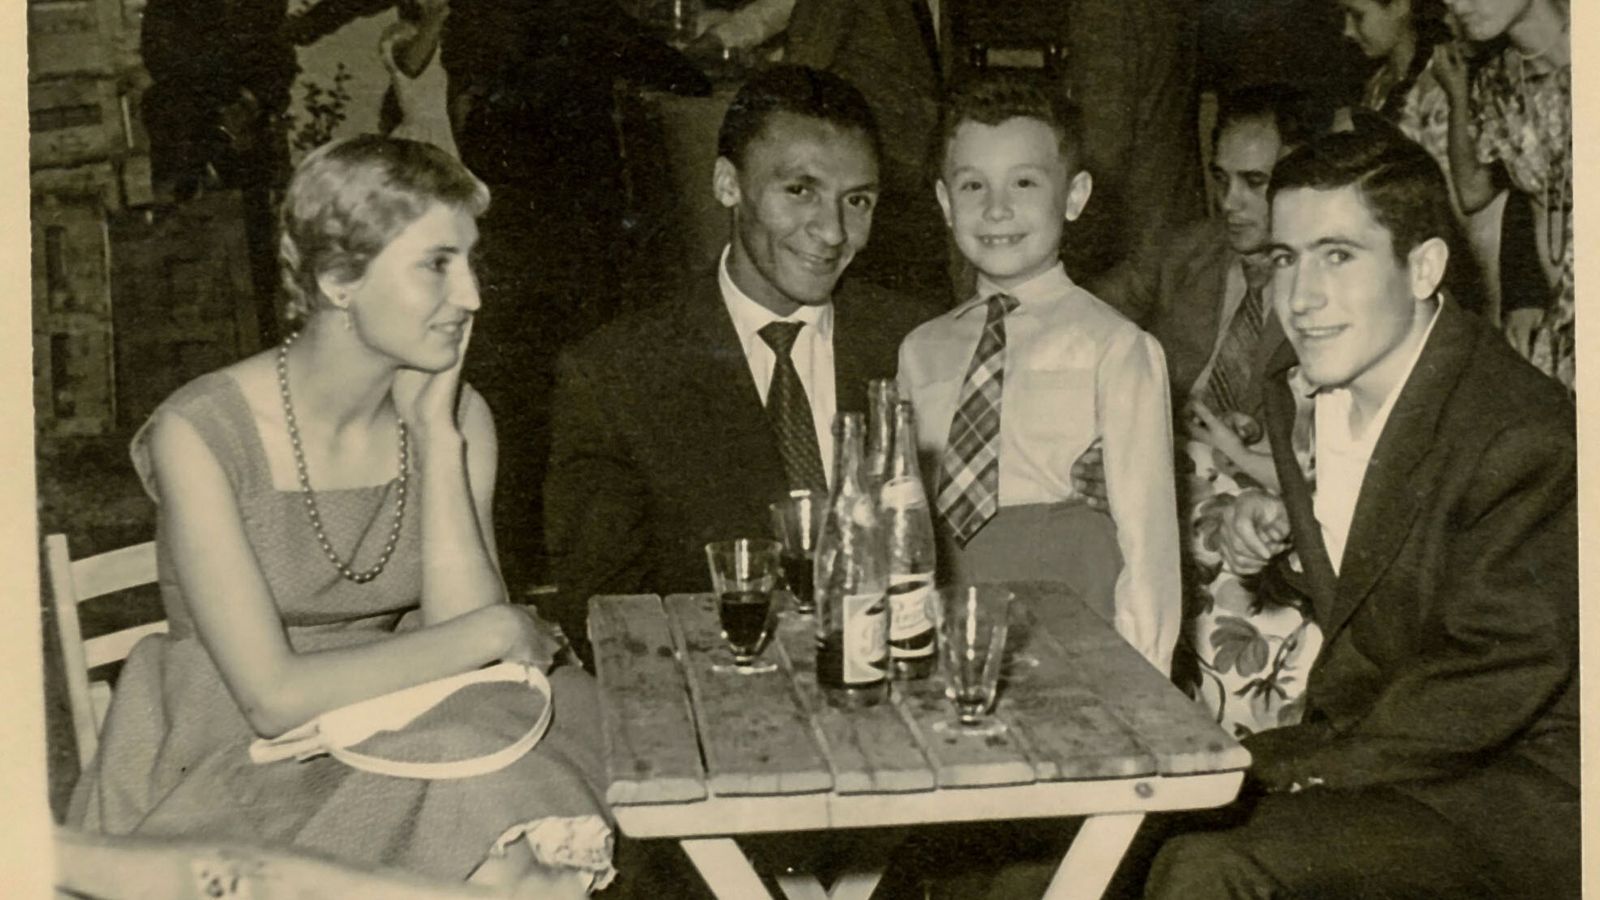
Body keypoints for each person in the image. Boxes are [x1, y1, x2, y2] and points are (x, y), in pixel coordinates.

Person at [69, 136, 615, 896]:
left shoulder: (455, 416)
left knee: (514, 810)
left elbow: (474, 653)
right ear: (337, 280)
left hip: (401, 724)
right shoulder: (200, 432)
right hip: (231, 766)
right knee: (505, 830)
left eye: (471, 262)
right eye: (436, 265)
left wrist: (433, 438)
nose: (473, 298)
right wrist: (492, 632)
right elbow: (273, 699)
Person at [1145, 122, 1578, 899]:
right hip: (1386, 750)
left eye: (1338, 257)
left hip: (1508, 790)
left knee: (1207, 866)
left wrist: (1293, 768)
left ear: (1424, 268)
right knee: (1110, 821)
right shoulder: (1299, 382)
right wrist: (1281, 551)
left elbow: (1493, 673)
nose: (1301, 299)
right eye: (1286, 259)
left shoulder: (1525, 436)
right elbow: (1387, 581)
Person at [543, 65, 939, 667]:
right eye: (799, 191)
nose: (832, 232)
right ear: (728, 184)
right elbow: (606, 622)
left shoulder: (921, 344)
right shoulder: (617, 374)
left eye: (856, 200)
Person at [897, 75, 1179, 674]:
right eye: (972, 185)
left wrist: (1142, 681)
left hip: (1073, 615)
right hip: (951, 611)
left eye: (1025, 182)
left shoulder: (1118, 347)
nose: (996, 209)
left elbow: (1148, 542)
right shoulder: (921, 349)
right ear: (945, 203)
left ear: (1074, 197)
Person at [1433, 0, 1570, 387]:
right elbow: (1474, 191)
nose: (1456, 4)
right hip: (1562, 321)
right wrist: (1459, 98)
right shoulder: (1501, 81)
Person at [1336, 0, 1501, 317]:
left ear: (1400, 6)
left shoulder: (1448, 79)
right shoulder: (1376, 89)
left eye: (1357, 16)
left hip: (1459, 266)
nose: (1347, 30)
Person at [380, 0, 458, 157]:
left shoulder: (438, 35)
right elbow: (411, 66)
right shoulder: (399, 33)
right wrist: (437, 15)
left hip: (441, 132)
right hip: (420, 134)